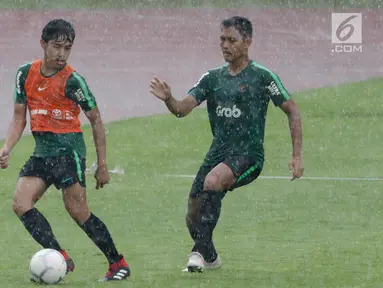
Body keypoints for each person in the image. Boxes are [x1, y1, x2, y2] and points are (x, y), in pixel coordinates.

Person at [149, 16, 304, 272]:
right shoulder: (212, 78)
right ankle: (211, 259)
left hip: (248, 155)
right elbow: (181, 109)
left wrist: (296, 156)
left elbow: (293, 111)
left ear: (247, 42)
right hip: (217, 154)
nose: (225, 45)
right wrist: (168, 99)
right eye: (222, 39)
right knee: (192, 216)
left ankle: (197, 253)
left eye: (232, 40)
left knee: (212, 182)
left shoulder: (263, 77)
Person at [0, 19, 130, 282]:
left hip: (69, 152)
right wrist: (7, 148)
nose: (61, 53)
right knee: (20, 203)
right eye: (56, 47)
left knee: (78, 212)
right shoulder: (25, 74)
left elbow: (96, 120)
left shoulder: (73, 81)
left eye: (67, 48)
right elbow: (18, 118)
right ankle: (60, 257)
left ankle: (118, 263)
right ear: (43, 44)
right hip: (42, 152)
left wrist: (102, 165)